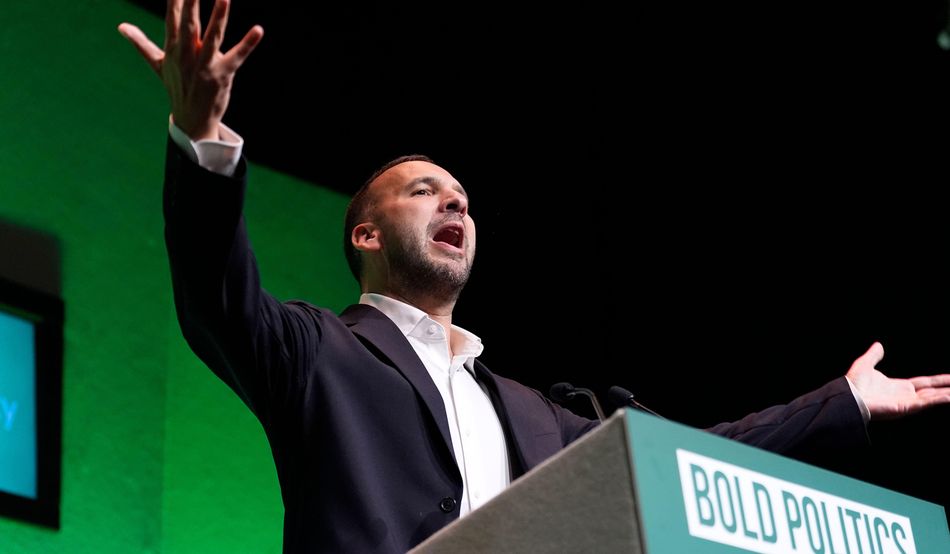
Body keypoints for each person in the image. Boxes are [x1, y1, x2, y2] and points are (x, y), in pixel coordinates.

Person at [118, 2, 950, 552]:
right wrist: (201, 137)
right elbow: (213, 290)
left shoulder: (533, 413)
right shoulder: (313, 351)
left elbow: (692, 457)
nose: (455, 201)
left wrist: (840, 402)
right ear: (366, 232)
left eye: (464, 197)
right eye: (425, 192)